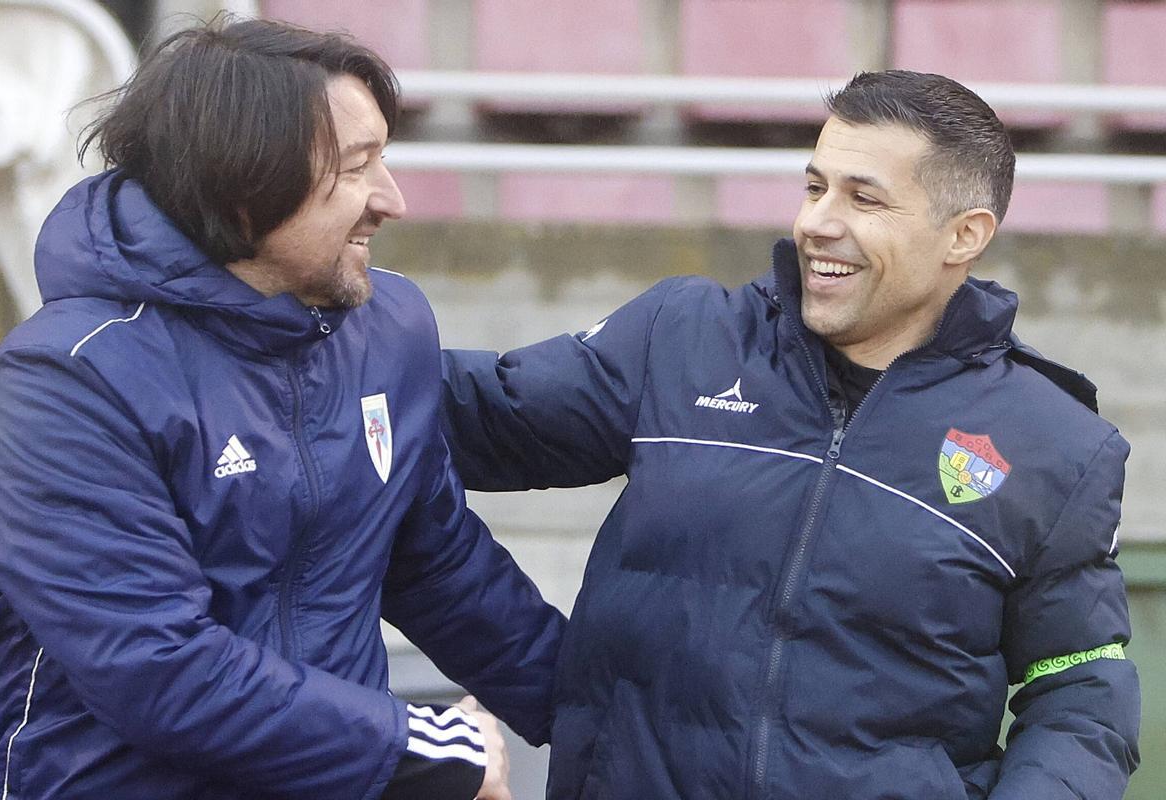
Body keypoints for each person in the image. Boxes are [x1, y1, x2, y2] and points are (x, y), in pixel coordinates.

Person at [441, 70, 1140, 799]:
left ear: (964, 236)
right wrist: (336, 333)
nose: (816, 222)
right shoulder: (683, 338)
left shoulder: (1055, 443)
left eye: (863, 197)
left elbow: (1080, 693)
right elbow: (469, 418)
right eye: (815, 187)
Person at [0, 18, 565, 800]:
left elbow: (435, 564)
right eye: (357, 167)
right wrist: (430, 747)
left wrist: (623, 716)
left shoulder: (391, 326)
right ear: (245, 188)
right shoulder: (67, 380)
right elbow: (158, 670)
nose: (394, 199)